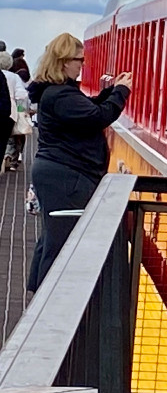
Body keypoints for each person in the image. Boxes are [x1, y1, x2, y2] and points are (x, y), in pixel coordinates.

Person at [26, 33, 132, 293]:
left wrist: (109, 92)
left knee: (53, 236)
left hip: (61, 172)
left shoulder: (59, 93)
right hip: (67, 175)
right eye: (79, 60)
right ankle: (47, 299)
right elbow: (98, 116)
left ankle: (40, 291)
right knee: (62, 240)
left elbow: (88, 109)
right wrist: (120, 93)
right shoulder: (60, 95)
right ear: (63, 62)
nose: (82, 65)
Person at [1, 51, 29, 172]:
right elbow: (21, 96)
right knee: (8, 138)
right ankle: (8, 157)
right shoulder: (14, 77)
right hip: (10, 112)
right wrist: (21, 112)